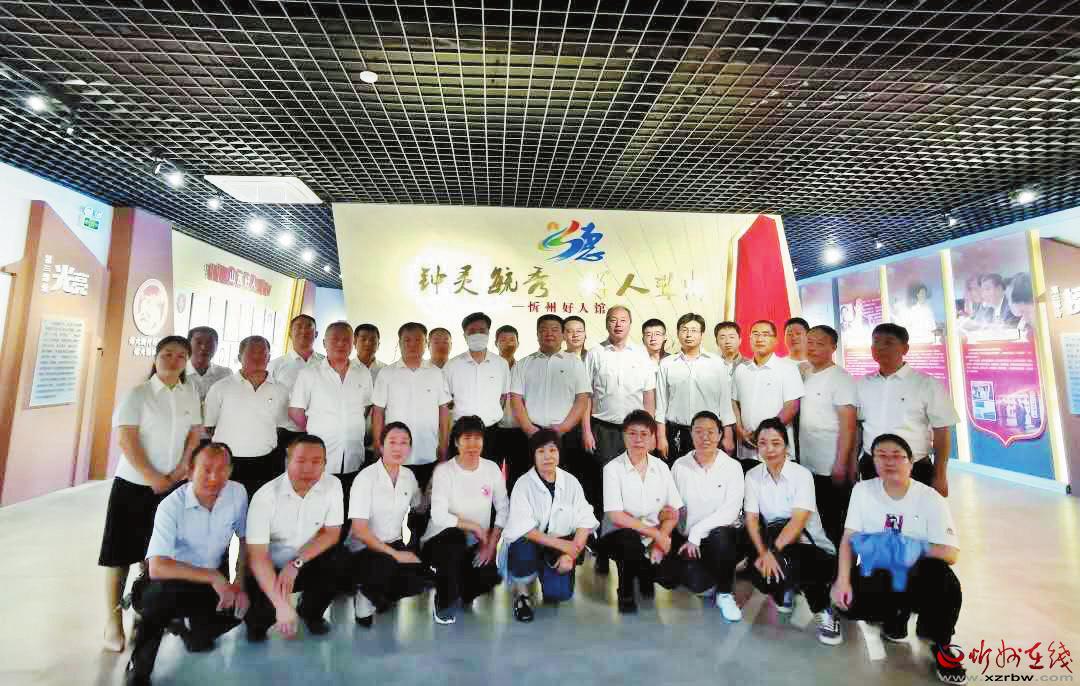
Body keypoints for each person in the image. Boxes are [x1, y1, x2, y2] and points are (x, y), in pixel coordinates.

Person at [831, 434, 965, 684]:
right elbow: (849, 538)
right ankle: (894, 618)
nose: (889, 461)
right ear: (873, 461)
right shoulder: (862, 490)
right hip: (879, 569)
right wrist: (843, 581)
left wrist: (913, 547)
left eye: (897, 456)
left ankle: (941, 644)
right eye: (881, 456)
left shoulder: (930, 498)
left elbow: (951, 553)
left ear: (911, 462)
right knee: (847, 601)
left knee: (946, 584)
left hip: (918, 572)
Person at [99, 335, 203, 653]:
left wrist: (182, 469)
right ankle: (113, 621)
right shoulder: (139, 394)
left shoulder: (189, 393)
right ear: (156, 358)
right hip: (133, 485)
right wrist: (152, 476)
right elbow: (126, 440)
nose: (174, 360)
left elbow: (194, 434)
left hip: (173, 485)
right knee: (120, 556)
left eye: (181, 355)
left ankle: (144, 615)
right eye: (167, 354)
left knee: (155, 556)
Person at [124, 442, 247, 686]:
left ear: (231, 471)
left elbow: (243, 540)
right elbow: (157, 567)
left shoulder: (237, 492)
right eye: (207, 469)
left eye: (222, 469)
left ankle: (184, 625)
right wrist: (215, 577)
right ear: (190, 472)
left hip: (210, 579)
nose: (215, 478)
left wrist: (238, 582)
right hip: (171, 579)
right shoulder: (171, 505)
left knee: (240, 608)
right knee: (158, 600)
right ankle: (140, 666)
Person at [744, 418, 839, 645]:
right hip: (776, 544)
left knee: (792, 562)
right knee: (757, 571)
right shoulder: (753, 476)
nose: (769, 449)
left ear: (786, 446)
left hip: (812, 549)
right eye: (763, 443)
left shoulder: (801, 475)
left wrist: (771, 553)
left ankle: (825, 612)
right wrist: (763, 553)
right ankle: (786, 586)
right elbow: (752, 519)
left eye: (776, 443)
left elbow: (797, 522)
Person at [244, 435, 345, 641]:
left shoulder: (333, 485)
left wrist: (296, 564)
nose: (308, 468)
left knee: (340, 561)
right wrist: (281, 605)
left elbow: (332, 533)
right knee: (260, 619)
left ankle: (310, 612)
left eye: (316, 461)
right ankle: (260, 620)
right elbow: (257, 557)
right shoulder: (265, 496)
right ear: (287, 461)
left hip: (304, 561)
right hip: (270, 567)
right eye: (300, 460)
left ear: (325, 463)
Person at [582, 306, 656, 573]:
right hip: (603, 429)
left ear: (630, 324)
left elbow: (649, 395)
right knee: (603, 490)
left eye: (623, 320)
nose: (618, 324)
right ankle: (603, 549)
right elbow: (586, 395)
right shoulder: (595, 353)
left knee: (632, 488)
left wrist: (650, 432)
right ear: (606, 324)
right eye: (613, 320)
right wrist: (586, 430)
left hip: (635, 431)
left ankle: (635, 547)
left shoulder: (641, 354)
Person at [500, 428, 598, 622]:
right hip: (531, 544)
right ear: (533, 456)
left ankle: (548, 574)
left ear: (559, 453)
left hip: (558, 549)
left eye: (552, 450)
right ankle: (522, 594)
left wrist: (570, 554)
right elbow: (524, 529)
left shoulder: (571, 482)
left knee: (560, 594)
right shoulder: (523, 484)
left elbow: (585, 520)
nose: (547, 456)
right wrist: (564, 545)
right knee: (522, 546)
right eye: (541, 451)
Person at [344, 422, 433, 627]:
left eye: (404, 443)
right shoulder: (366, 478)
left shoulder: (408, 476)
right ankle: (365, 594)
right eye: (392, 442)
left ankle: (380, 593)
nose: (398, 448)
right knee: (386, 564)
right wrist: (397, 555)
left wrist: (430, 490)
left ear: (410, 448)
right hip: (363, 548)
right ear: (381, 446)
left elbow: (419, 507)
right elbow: (359, 530)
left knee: (420, 578)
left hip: (393, 542)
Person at [421, 416, 509, 624]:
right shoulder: (444, 471)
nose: (472, 444)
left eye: (477, 438)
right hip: (441, 540)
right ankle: (443, 602)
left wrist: (491, 545)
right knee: (455, 540)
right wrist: (474, 527)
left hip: (477, 542)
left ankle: (459, 587)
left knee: (489, 577)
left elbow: (504, 509)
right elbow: (439, 515)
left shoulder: (491, 469)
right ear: (456, 442)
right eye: (467, 438)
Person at [855, 323, 959, 497]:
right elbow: (858, 427)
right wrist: (852, 463)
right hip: (872, 466)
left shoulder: (926, 384)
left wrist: (940, 475)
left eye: (888, 342)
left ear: (905, 348)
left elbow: (942, 431)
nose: (880, 347)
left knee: (915, 513)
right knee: (875, 512)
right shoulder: (863, 384)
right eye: (876, 342)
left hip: (915, 468)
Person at [289, 321, 374, 531]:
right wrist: (316, 430)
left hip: (353, 455)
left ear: (353, 343)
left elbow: (366, 407)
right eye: (335, 339)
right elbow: (296, 411)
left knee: (346, 510)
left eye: (346, 339)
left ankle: (341, 548)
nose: (341, 344)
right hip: (321, 458)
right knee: (318, 513)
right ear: (324, 343)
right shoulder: (309, 373)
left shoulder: (362, 372)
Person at [372, 322, 452, 542]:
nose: (412, 344)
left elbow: (443, 410)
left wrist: (444, 444)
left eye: (418, 340)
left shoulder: (436, 373)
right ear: (399, 343)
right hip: (395, 454)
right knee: (392, 504)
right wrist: (379, 445)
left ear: (425, 343)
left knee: (423, 506)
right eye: (407, 340)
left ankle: (417, 544)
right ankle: (392, 544)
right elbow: (378, 411)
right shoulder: (387, 374)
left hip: (427, 451)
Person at [599, 410, 684, 614]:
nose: (638, 439)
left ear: (653, 437)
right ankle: (625, 590)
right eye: (632, 433)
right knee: (629, 541)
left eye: (644, 434)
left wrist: (660, 540)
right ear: (624, 436)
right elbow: (616, 516)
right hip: (619, 535)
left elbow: (673, 511)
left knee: (672, 577)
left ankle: (646, 571)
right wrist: (656, 534)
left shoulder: (662, 468)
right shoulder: (612, 469)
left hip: (652, 535)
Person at [667, 411, 745, 622]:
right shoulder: (679, 465)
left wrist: (697, 532)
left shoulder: (732, 467)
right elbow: (671, 505)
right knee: (687, 580)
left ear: (720, 435)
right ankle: (710, 576)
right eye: (699, 431)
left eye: (711, 432)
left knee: (721, 536)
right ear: (691, 434)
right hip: (689, 543)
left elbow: (730, 512)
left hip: (719, 538)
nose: (705, 437)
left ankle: (725, 593)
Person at [204, 335, 289, 499]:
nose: (257, 357)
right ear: (239, 357)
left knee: (260, 506)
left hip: (266, 463)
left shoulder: (281, 390)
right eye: (251, 353)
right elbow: (209, 426)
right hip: (228, 463)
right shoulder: (221, 388)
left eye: (262, 353)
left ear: (269, 357)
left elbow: (282, 425)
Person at [509, 315, 591, 482]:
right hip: (532, 434)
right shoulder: (524, 364)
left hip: (566, 435)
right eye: (544, 330)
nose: (549, 334)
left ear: (562, 334)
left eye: (554, 330)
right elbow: (515, 399)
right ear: (537, 334)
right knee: (530, 481)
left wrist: (564, 427)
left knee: (566, 481)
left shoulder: (575, 363)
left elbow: (582, 399)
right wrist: (529, 428)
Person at [799, 325, 857, 546]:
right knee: (816, 522)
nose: (812, 347)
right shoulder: (807, 374)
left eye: (820, 343)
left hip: (831, 466)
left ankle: (841, 566)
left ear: (833, 347)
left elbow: (848, 426)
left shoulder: (841, 378)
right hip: (808, 464)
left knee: (835, 523)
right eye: (810, 342)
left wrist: (841, 464)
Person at [656, 313, 736, 463]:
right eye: (684, 330)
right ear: (678, 333)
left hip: (709, 433)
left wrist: (728, 435)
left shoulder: (717, 364)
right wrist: (661, 437)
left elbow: (725, 403)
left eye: (693, 330)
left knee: (708, 473)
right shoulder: (667, 364)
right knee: (677, 473)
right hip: (677, 433)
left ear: (702, 334)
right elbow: (661, 405)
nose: (688, 335)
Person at [731, 320, 804, 470]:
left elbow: (792, 407)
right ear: (749, 339)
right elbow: (734, 402)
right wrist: (738, 429)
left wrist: (763, 434)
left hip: (776, 450)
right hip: (747, 450)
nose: (760, 338)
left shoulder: (788, 369)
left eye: (765, 334)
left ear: (775, 340)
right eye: (755, 334)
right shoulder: (741, 369)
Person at [443, 312, 511, 464]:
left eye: (482, 331)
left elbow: (503, 397)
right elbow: (446, 402)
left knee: (490, 474)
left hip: (492, 433)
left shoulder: (501, 364)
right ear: (464, 336)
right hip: (461, 433)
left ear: (488, 333)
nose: (477, 335)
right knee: (460, 474)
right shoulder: (452, 365)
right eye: (472, 331)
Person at [268, 315, 324, 451]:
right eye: (298, 327)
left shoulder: (326, 364)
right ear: (290, 333)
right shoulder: (276, 365)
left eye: (309, 327)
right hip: (285, 432)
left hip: (320, 431)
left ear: (316, 334)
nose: (303, 331)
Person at [494, 324, 531, 489]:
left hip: (519, 430)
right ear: (496, 343)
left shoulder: (524, 368)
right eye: (503, 340)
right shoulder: (490, 368)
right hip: (494, 429)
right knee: (492, 474)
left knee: (518, 476)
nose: (508, 343)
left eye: (512, 340)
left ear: (518, 343)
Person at [354, 323, 386, 466]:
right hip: (349, 439)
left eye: (373, 340)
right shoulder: (344, 369)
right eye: (363, 339)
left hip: (377, 441)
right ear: (354, 342)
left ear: (378, 344)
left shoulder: (387, 371)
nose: (368, 343)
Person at [186, 327, 232, 402]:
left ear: (216, 346)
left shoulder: (225, 374)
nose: (204, 347)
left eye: (209, 343)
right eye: (198, 342)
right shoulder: (176, 373)